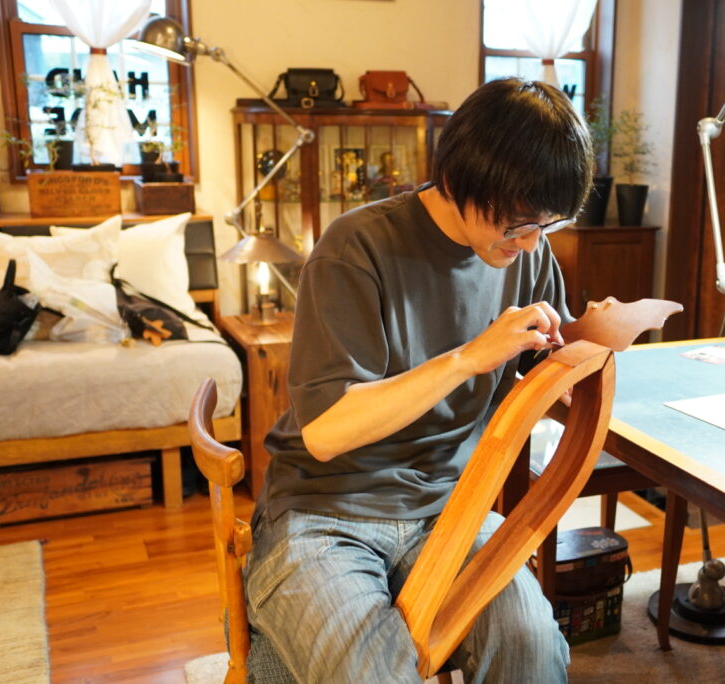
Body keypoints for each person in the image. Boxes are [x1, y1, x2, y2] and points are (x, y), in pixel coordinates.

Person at [244, 77, 594, 683]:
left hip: (448, 508)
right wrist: (467, 358)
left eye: (548, 223)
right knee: (370, 671)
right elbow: (326, 432)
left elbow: (547, 366)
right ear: (458, 180)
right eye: (518, 223)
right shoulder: (356, 247)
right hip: (328, 508)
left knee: (531, 647)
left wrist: (588, 346)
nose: (532, 241)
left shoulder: (527, 252)